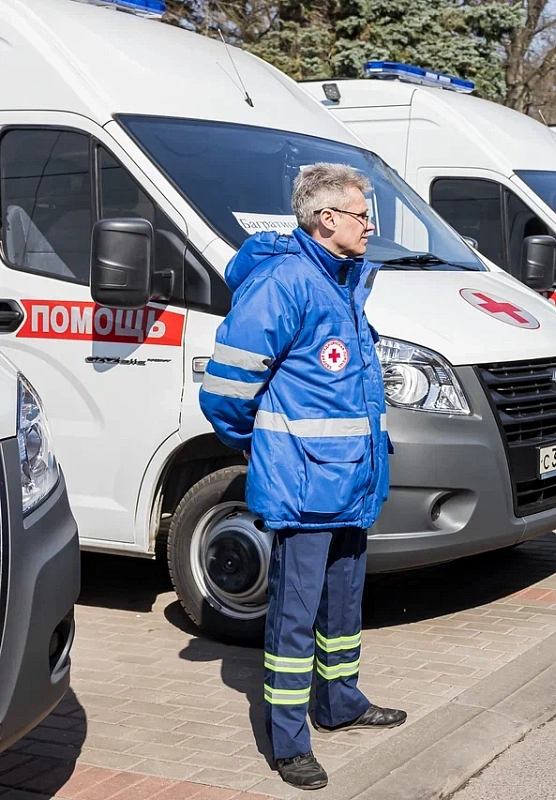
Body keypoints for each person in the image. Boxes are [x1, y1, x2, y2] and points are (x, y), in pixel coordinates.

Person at [199, 164, 406, 790]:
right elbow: (225, 391)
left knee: (343, 605)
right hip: (305, 487)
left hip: (348, 485)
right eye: (361, 213)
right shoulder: (288, 281)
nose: (371, 224)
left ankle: (340, 701)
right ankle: (288, 741)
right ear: (326, 220)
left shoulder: (343, 279)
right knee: (292, 619)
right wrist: (270, 448)